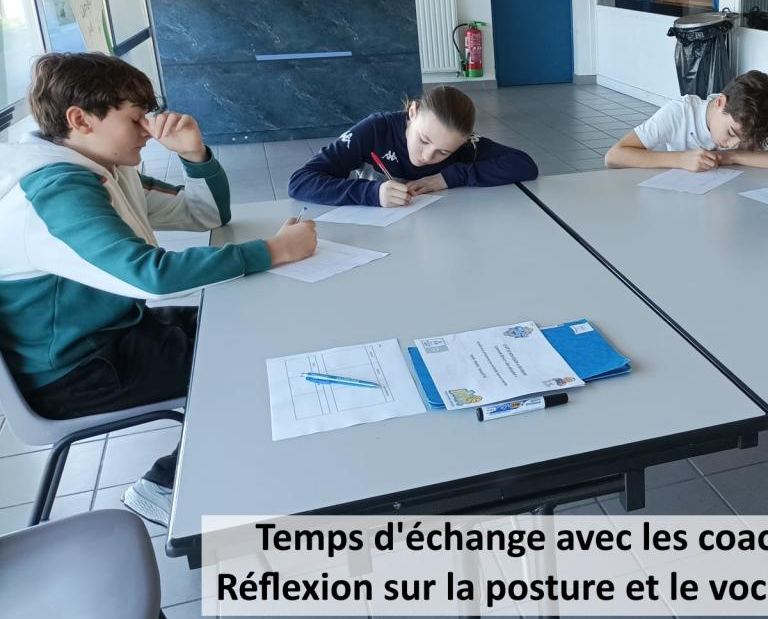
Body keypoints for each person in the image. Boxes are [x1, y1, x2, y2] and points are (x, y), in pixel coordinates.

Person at [0, 52, 318, 526]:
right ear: (80, 120)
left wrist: (195, 155)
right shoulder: (57, 189)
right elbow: (149, 275)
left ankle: (225, 466)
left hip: (115, 332)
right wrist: (274, 251)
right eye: (135, 119)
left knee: (252, 326)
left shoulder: (98, 165)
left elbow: (204, 215)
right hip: (76, 370)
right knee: (249, 362)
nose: (148, 131)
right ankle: (165, 486)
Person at [288, 85, 538, 207]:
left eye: (443, 152)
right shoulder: (375, 130)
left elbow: (525, 165)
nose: (427, 156)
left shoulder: (463, 145)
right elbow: (300, 182)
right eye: (424, 140)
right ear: (412, 112)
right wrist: (372, 193)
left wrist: (449, 177)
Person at [603, 70, 768, 171]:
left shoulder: (754, 120)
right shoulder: (680, 113)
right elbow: (614, 156)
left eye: (743, 141)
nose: (732, 144)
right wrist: (680, 160)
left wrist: (733, 156)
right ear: (720, 103)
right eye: (731, 133)